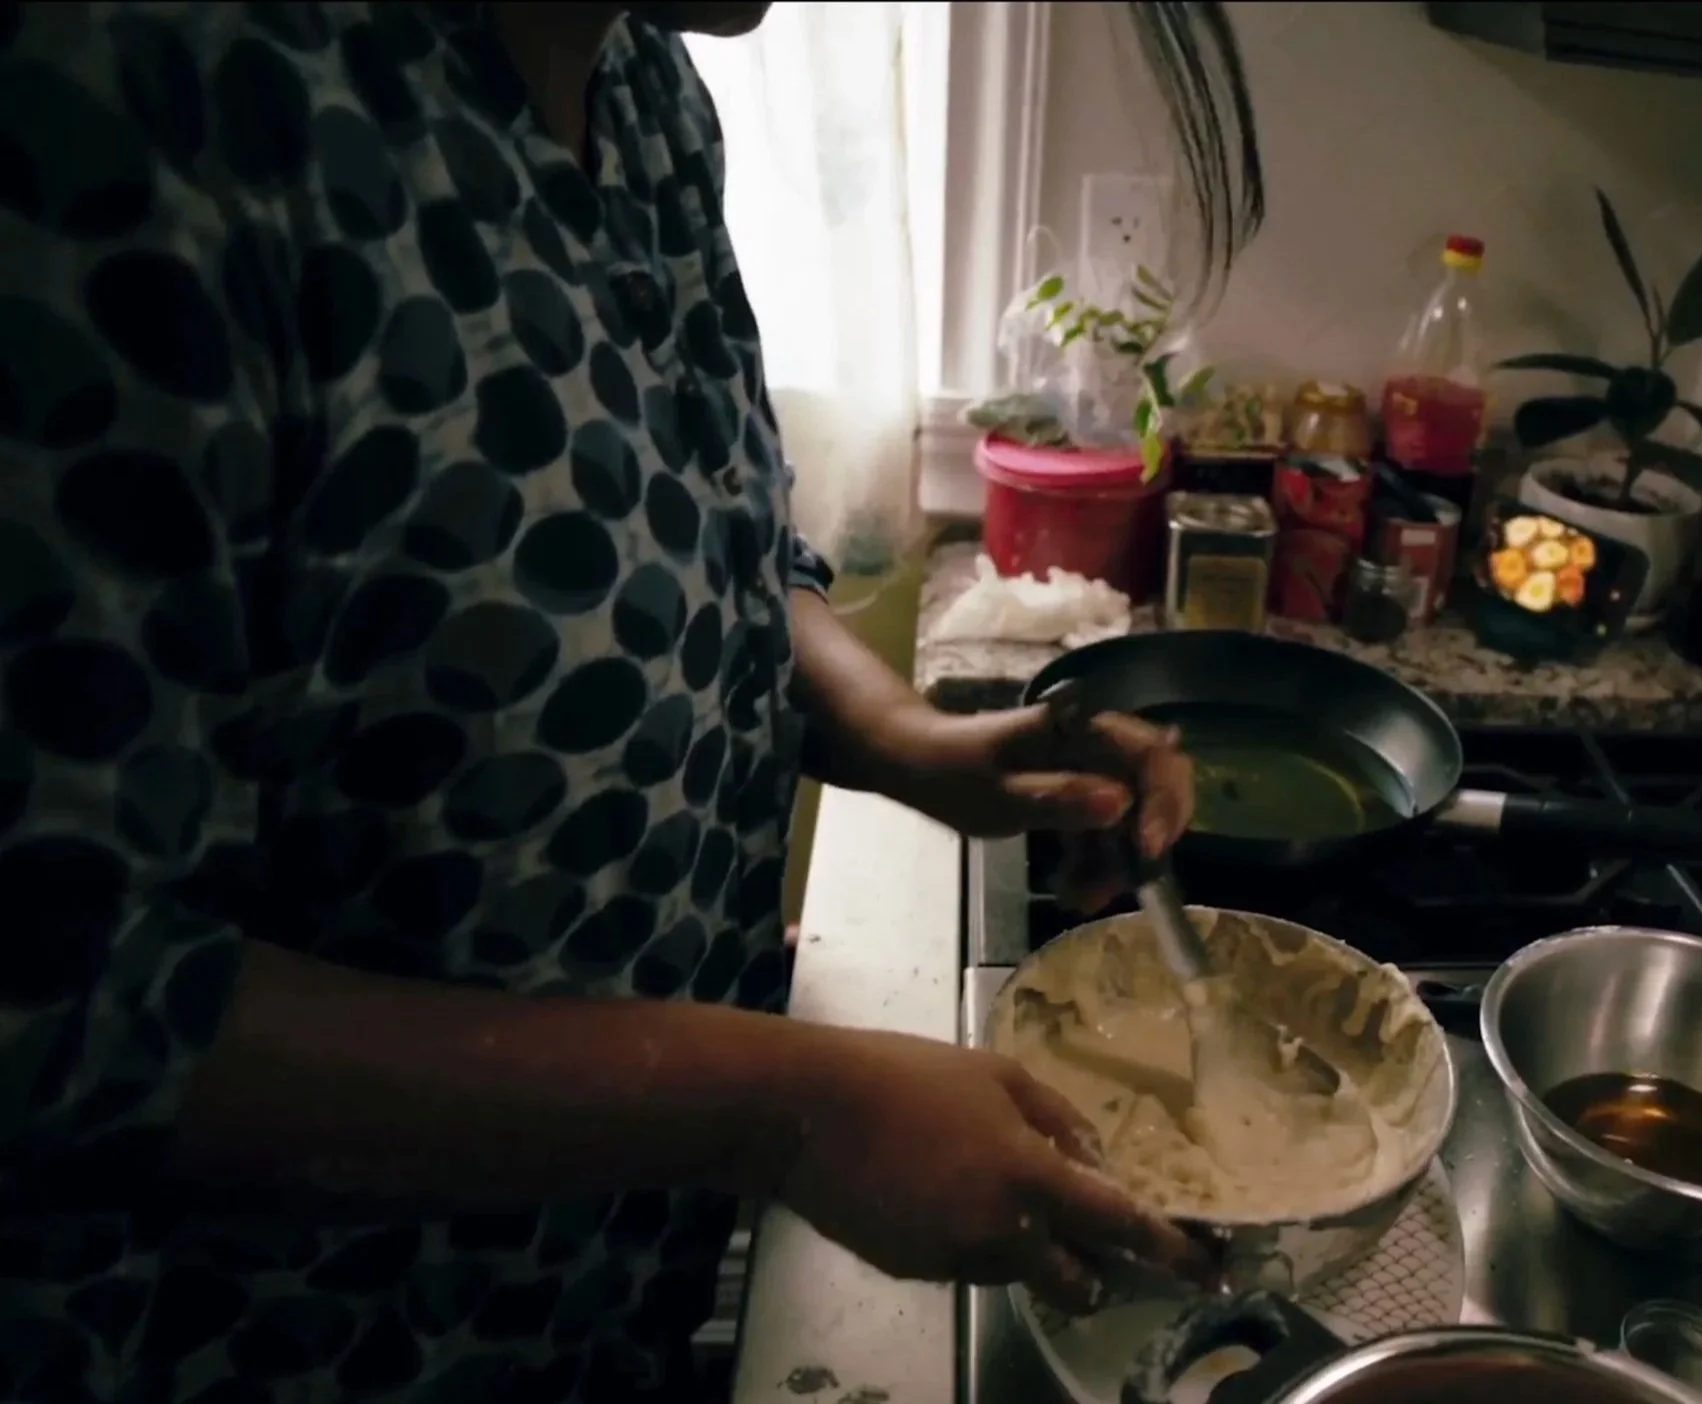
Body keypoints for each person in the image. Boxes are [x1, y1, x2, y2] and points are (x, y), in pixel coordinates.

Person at [0, 1, 1264, 1399]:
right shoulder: (138, 106)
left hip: (589, 1296)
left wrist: (911, 742)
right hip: (287, 1343)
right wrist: (781, 1112)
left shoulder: (641, 88)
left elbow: (725, 541)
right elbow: (68, 1004)